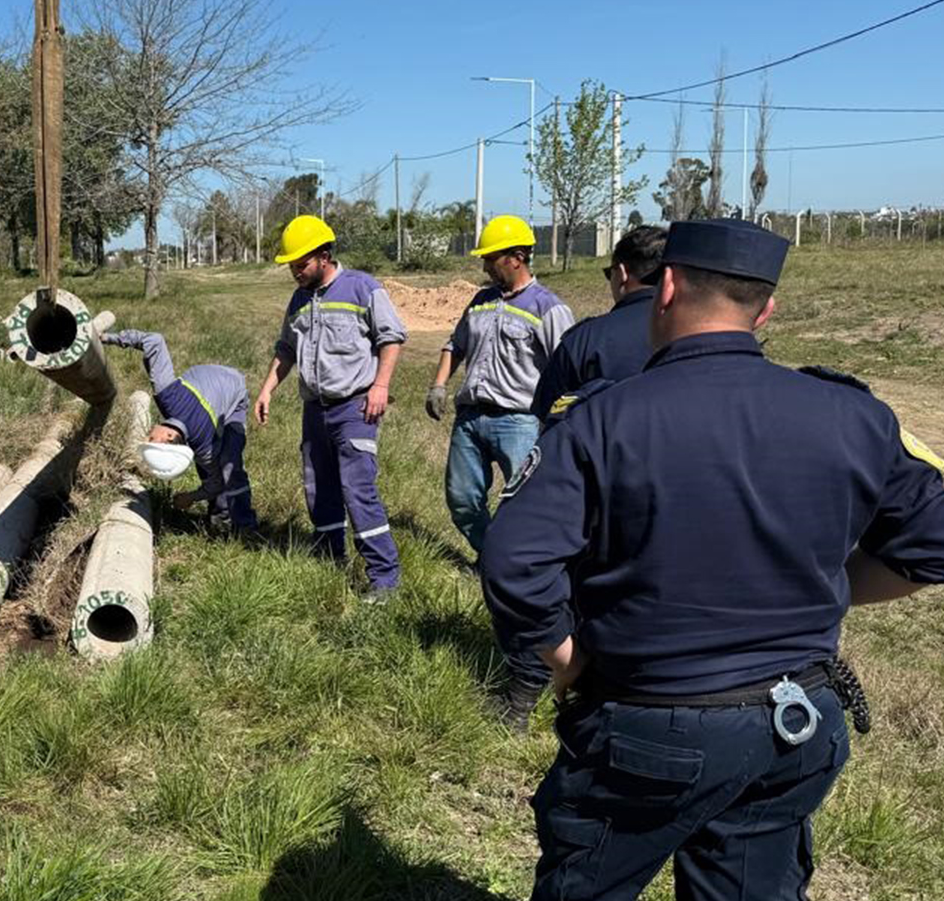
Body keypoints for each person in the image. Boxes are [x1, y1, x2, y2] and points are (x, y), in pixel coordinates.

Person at [480, 219, 944, 901]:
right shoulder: (852, 416)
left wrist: (567, 657)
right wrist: (830, 597)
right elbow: (941, 548)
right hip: (794, 724)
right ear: (767, 307)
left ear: (662, 290)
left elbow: (513, 558)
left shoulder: (606, 416)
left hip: (645, 726)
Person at [427, 213, 576, 722]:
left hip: (519, 422)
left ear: (516, 256)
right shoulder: (481, 300)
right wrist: (441, 383)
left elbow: (568, 368)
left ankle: (517, 576)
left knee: (523, 514)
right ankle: (493, 561)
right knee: (462, 499)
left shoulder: (549, 308)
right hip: (472, 419)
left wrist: (558, 423)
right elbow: (455, 344)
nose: (487, 265)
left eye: (492, 257)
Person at [253, 214, 408, 599]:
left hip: (355, 408)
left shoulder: (362, 288)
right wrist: (267, 389)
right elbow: (286, 348)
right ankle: (330, 560)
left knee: (357, 489)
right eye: (291, 265)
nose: (295, 271)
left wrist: (381, 385)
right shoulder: (300, 299)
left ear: (324, 255)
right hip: (315, 411)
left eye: (301, 263)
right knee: (319, 489)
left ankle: (384, 578)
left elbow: (392, 338)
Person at [103, 328, 258, 534]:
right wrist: (107, 338)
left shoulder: (172, 400)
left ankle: (246, 527)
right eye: (151, 439)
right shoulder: (171, 400)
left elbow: (155, 340)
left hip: (235, 395)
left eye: (149, 438)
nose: (148, 433)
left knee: (230, 464)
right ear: (170, 437)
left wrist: (191, 497)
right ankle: (220, 520)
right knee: (212, 466)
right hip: (208, 384)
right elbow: (154, 341)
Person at [532, 224, 668, 423]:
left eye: (608, 273)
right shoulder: (704, 333)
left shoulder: (584, 340)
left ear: (621, 274)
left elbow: (549, 412)